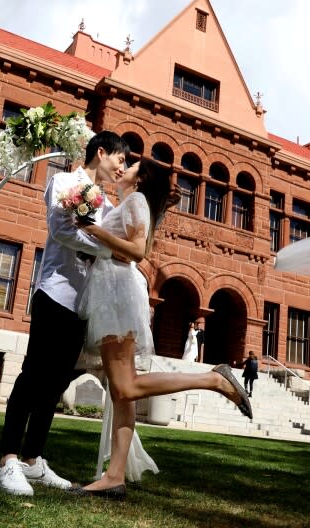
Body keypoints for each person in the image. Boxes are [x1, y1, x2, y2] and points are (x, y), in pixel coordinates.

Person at [71, 158, 252, 499]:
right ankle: (115, 477)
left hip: (116, 295)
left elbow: (138, 251)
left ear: (142, 179)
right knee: (121, 394)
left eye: (132, 166)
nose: (123, 168)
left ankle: (213, 378)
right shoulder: (131, 203)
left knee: (124, 388)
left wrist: (93, 230)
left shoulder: (136, 201)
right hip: (111, 290)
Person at [0, 131, 128, 496]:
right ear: (102, 152)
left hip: (82, 306)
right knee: (33, 376)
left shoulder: (106, 205)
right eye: (120, 160)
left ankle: (33, 461)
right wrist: (106, 250)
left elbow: (122, 239)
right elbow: (61, 232)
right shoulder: (65, 182)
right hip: (54, 294)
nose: (122, 168)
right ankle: (7, 460)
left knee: (55, 385)